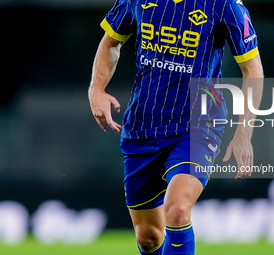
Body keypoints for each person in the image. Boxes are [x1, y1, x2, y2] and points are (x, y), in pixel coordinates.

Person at [88, 0, 264, 254]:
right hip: (143, 127)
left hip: (198, 124)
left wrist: (244, 134)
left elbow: (252, 69)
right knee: (148, 237)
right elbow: (111, 42)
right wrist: (97, 89)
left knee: (178, 209)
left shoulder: (224, 5)